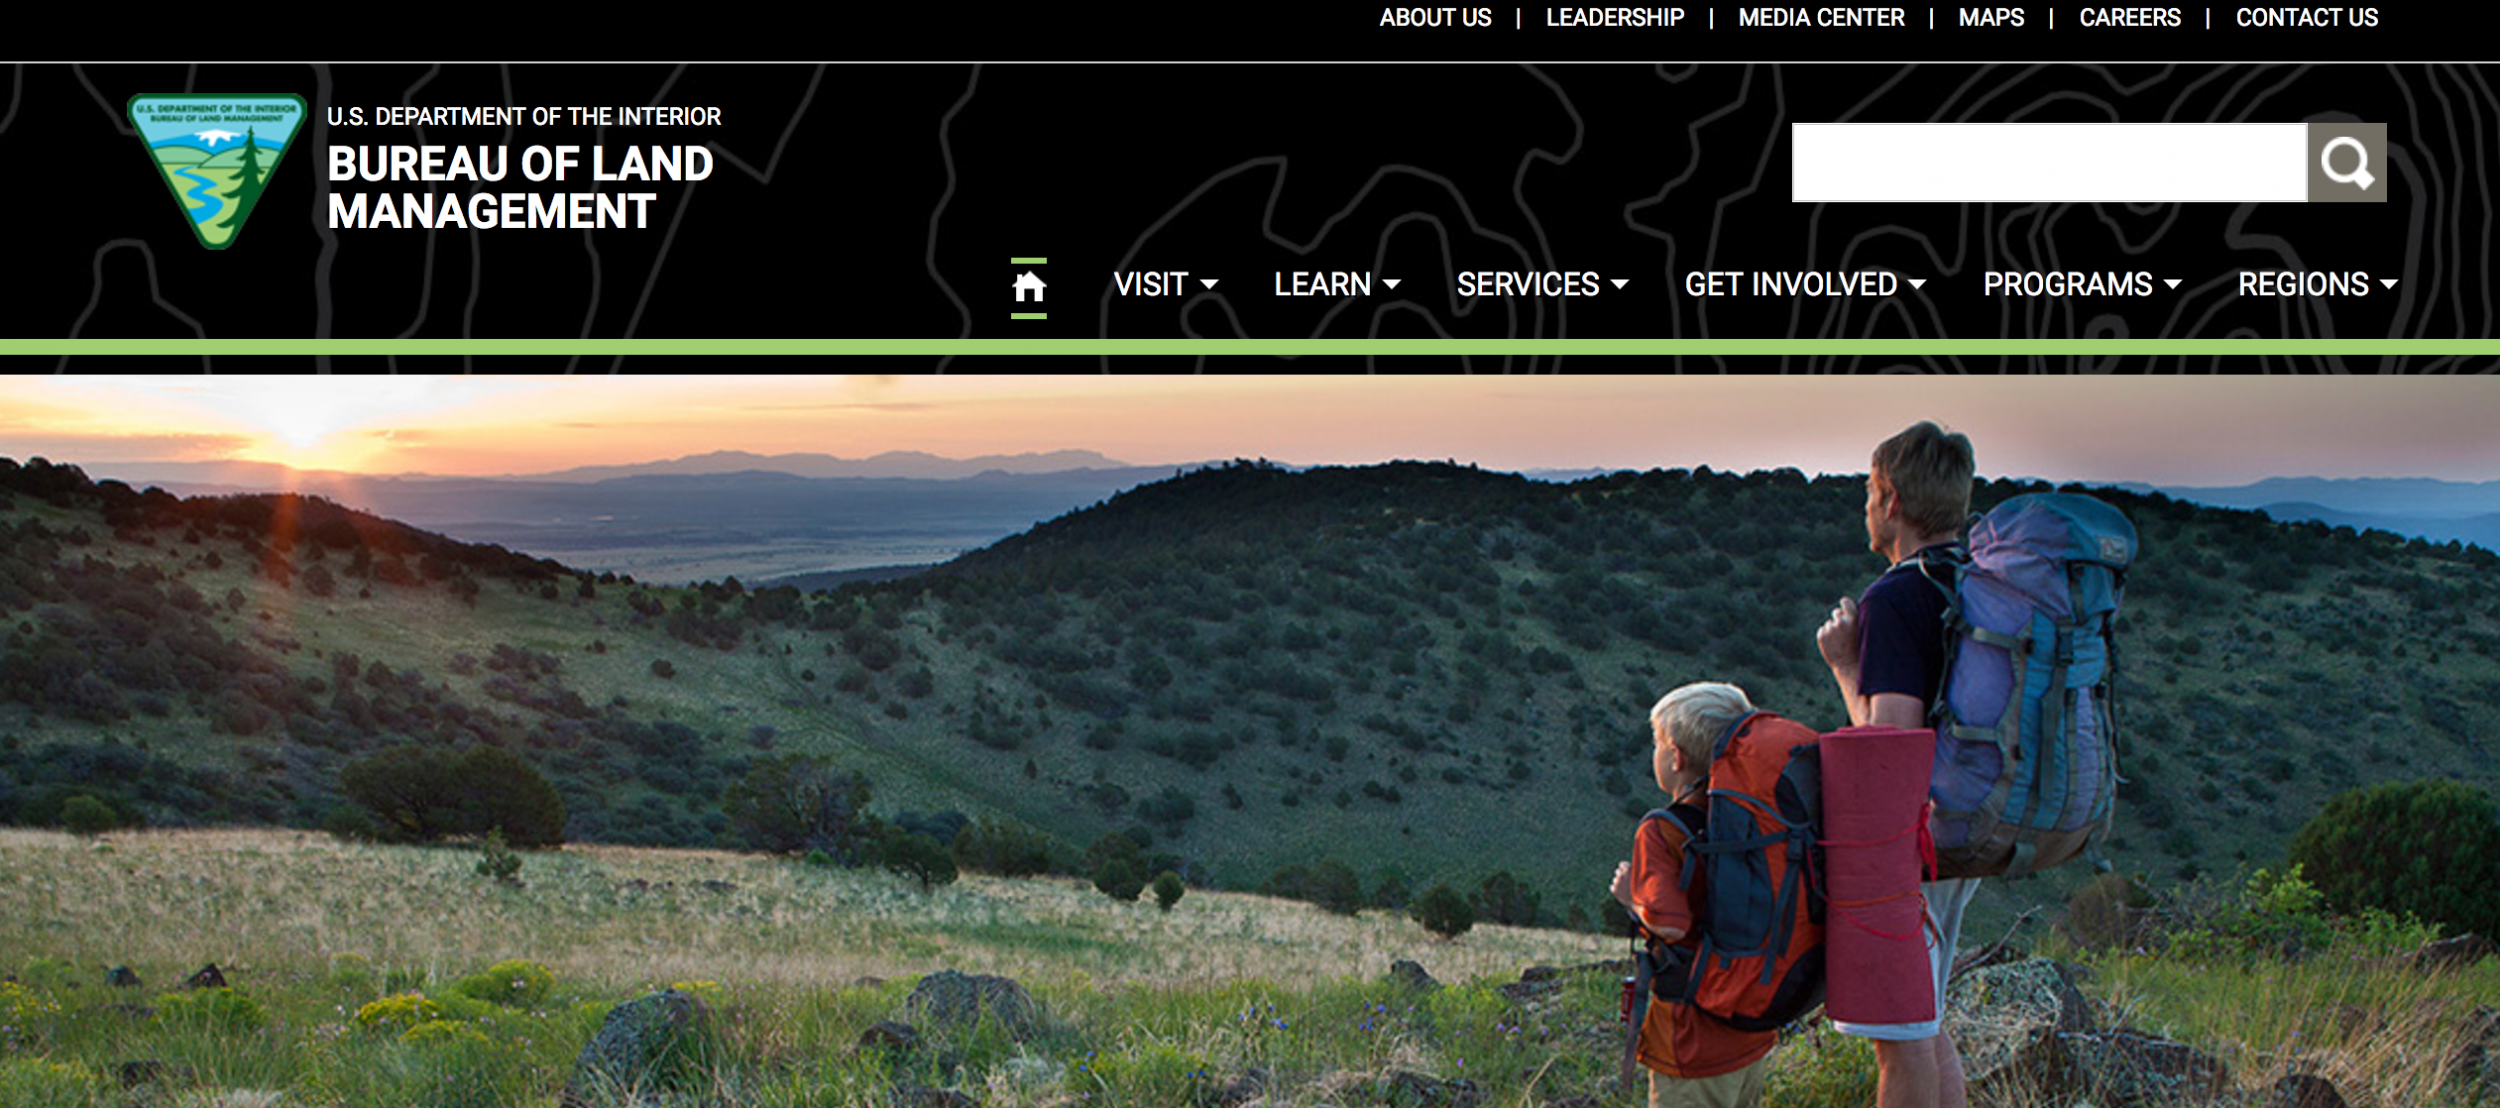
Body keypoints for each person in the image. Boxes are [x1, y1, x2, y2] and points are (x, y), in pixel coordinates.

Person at [1815, 420, 1979, 1108]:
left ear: (1890, 501)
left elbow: (1889, 755)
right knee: (1926, 1021)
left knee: (1902, 1038)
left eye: (1867, 490)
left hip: (1915, 841)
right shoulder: (1973, 579)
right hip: (1973, 818)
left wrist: (1845, 666)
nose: (1864, 505)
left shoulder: (1894, 596)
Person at [1609, 682, 1776, 1108]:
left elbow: (1669, 922)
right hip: (1750, 1027)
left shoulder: (1661, 830)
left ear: (1676, 756)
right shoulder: (1757, 820)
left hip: (1691, 1040)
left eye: (1657, 742)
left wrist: (1631, 898)